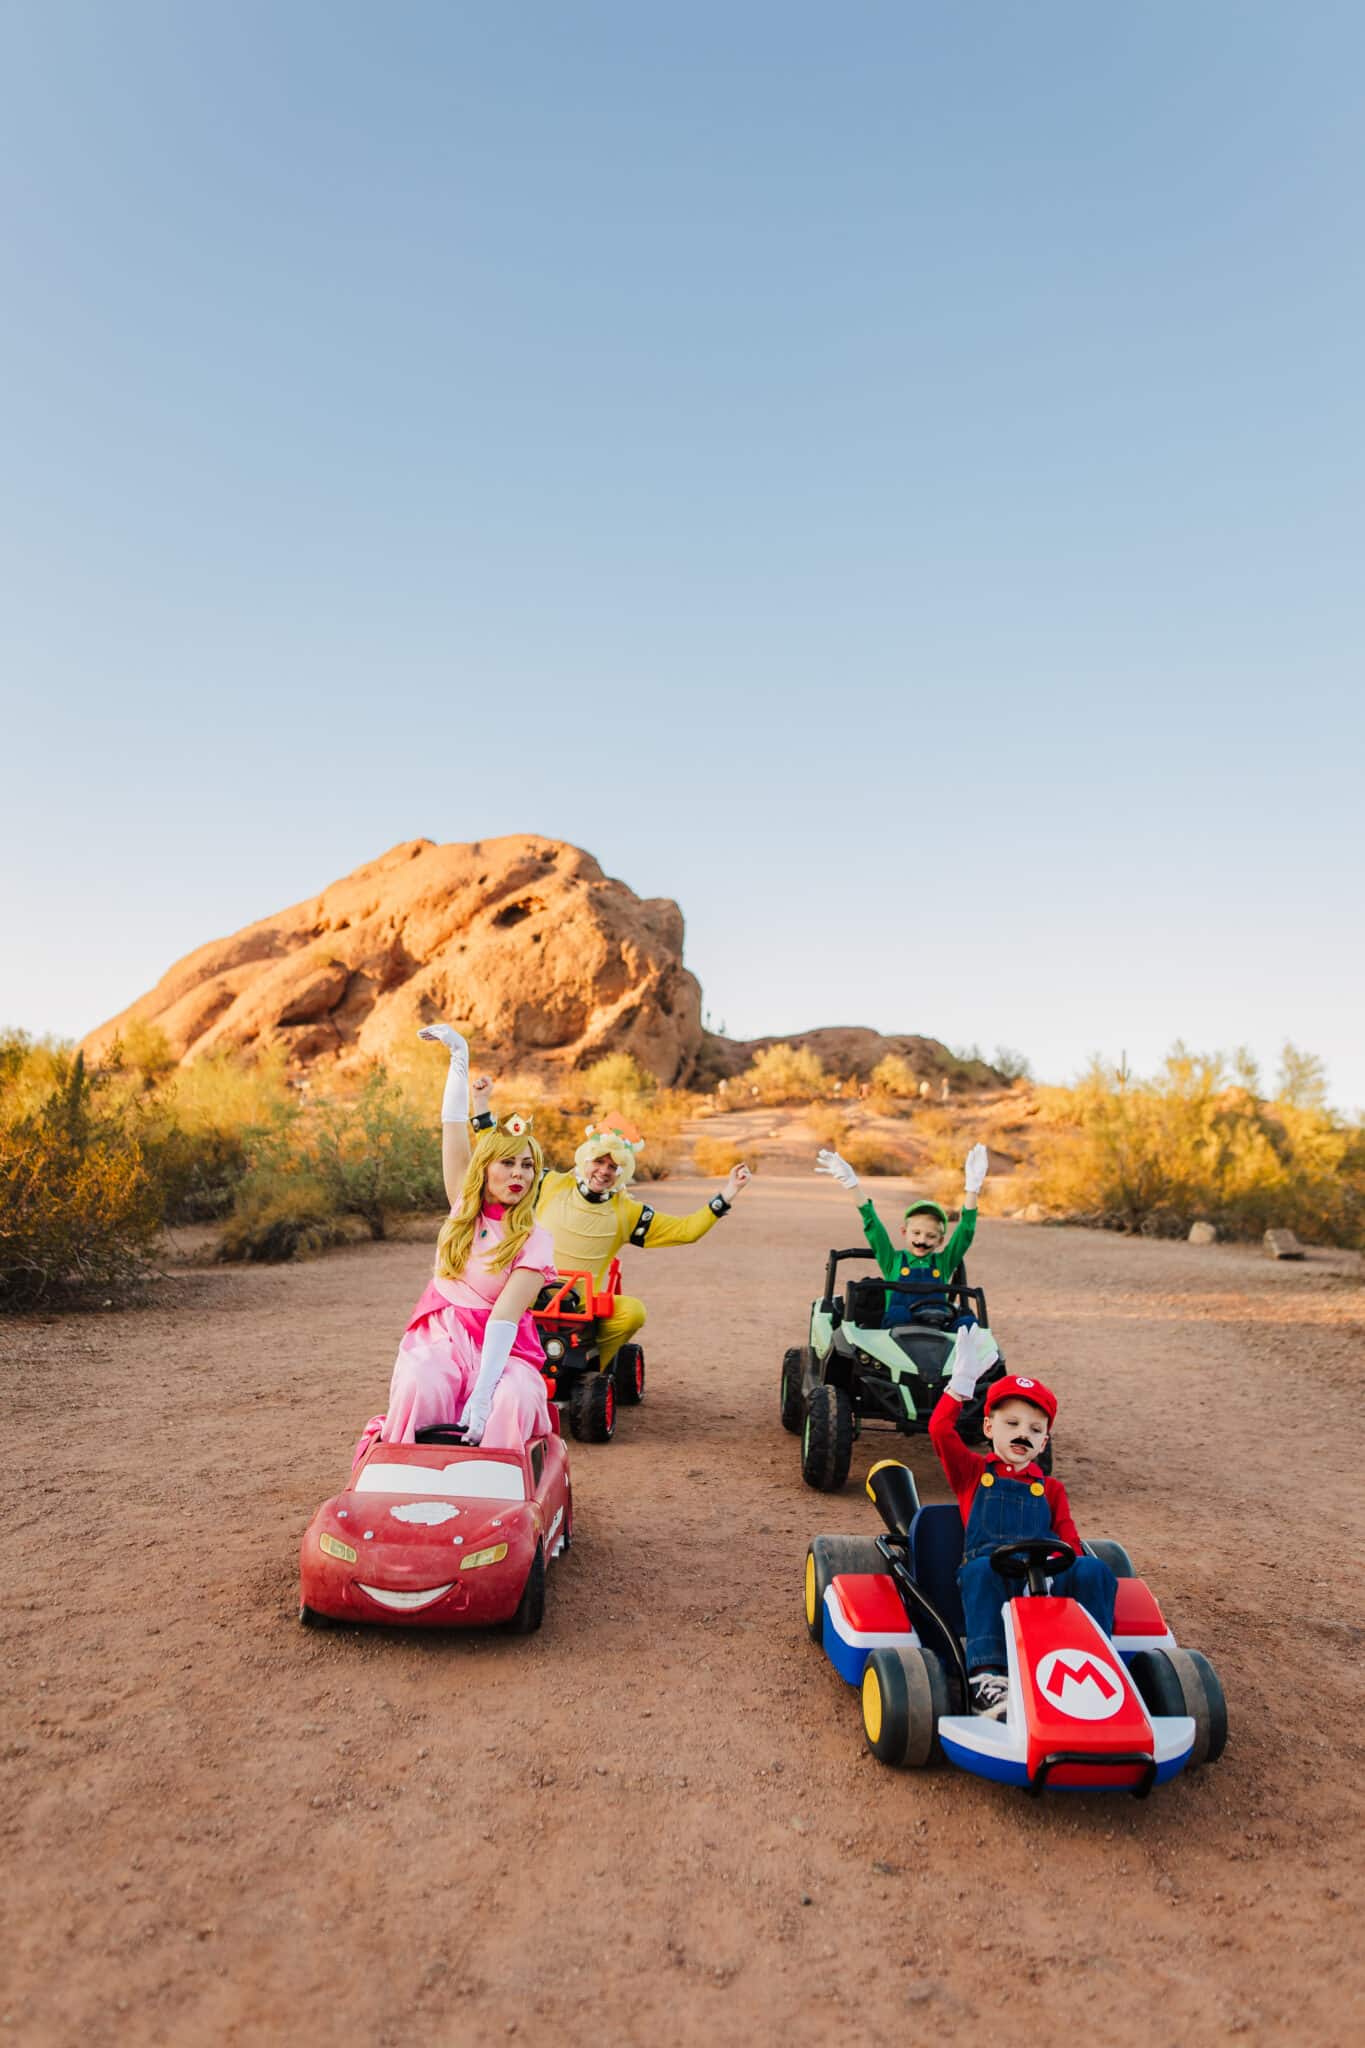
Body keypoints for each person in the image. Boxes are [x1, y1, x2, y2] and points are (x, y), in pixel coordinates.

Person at [355, 1024, 556, 1463]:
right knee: (420, 1381)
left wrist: (482, 1397)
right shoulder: (465, 1207)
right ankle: (404, 1476)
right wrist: (458, 1058)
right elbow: (451, 1130)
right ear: (485, 1169)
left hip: (503, 1347)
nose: (519, 1174)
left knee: (511, 1399)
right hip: (443, 1333)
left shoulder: (535, 1239)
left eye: (527, 1165)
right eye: (507, 1163)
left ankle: (496, 1493)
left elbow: (505, 1317)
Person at [929, 1345, 1117, 1719]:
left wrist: (1071, 1565)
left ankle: (1094, 1662)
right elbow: (939, 1430)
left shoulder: (1050, 1489)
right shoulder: (971, 1474)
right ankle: (988, 1677)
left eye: (1034, 1429)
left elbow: (1071, 1541)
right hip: (994, 1574)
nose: (1022, 1435)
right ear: (988, 1428)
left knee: (1095, 1570)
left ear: (1044, 1441)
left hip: (1045, 1575)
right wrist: (959, 1388)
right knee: (980, 1571)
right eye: (1011, 1425)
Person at [814, 1142, 989, 1325]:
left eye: (931, 1236)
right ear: (904, 1232)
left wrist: (972, 1189)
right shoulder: (893, 1261)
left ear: (940, 1240)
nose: (922, 1240)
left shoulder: (943, 1263)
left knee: (969, 1323)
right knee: (899, 1313)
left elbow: (965, 1232)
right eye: (916, 1233)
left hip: (937, 1334)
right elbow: (874, 1227)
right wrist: (852, 1185)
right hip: (896, 1339)